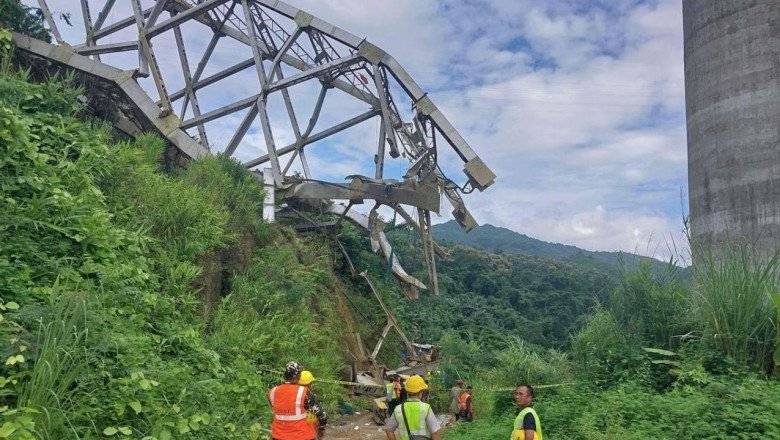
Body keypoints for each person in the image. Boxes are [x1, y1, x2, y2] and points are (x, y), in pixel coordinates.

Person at [267, 361, 327, 440]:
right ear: (299, 376)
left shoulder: (273, 392)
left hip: (278, 436)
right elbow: (321, 414)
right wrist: (322, 429)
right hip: (301, 436)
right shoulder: (304, 392)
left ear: (285, 375)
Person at [384, 375, 441, 440]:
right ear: (420, 392)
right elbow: (435, 432)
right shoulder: (426, 408)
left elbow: (389, 430)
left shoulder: (398, 409)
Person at [299, 370, 326, 439]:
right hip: (305, 433)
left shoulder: (289, 393)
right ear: (310, 383)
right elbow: (321, 414)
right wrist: (322, 428)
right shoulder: (308, 395)